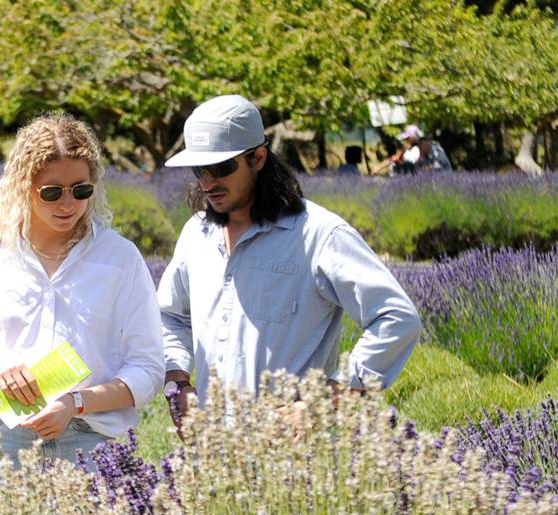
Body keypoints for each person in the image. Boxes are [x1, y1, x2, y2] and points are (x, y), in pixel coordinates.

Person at [158, 95, 422, 428]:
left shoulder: (318, 235)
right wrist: (177, 381)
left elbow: (396, 318)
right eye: (199, 170)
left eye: (221, 168)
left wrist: (328, 399)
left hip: (292, 456)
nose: (208, 182)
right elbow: (171, 317)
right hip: (215, 454)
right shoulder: (196, 234)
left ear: (258, 158)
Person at [0, 114, 164, 466]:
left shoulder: (120, 258)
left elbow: (148, 369)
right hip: (2, 442)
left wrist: (76, 403)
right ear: (24, 186)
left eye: (81, 190)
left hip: (92, 445)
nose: (68, 204)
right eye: (51, 193)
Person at [373, 124, 451, 175]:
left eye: (407, 138)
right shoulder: (414, 145)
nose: (405, 141)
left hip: (441, 170)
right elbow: (395, 157)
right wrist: (379, 166)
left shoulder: (425, 144)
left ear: (413, 137)